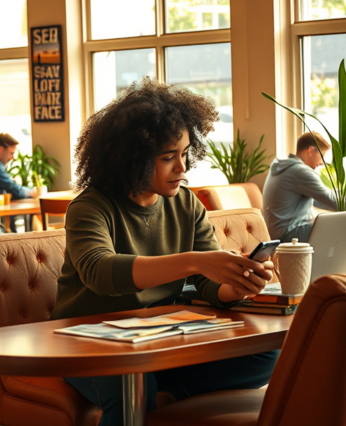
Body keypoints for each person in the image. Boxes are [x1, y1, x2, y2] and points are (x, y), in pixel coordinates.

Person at [54, 79, 278, 426]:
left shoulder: (186, 203)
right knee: (134, 388)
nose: (182, 167)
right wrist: (194, 261)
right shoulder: (90, 207)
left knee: (269, 353)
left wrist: (237, 284)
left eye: (185, 153)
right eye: (167, 157)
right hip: (90, 341)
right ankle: (156, 393)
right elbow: (100, 272)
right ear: (133, 160)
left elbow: (207, 284)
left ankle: (172, 396)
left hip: (160, 337)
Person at [262, 132, 346, 242]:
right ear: (310, 151)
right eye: (322, 155)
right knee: (343, 225)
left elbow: (319, 200)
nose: (322, 163)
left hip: (280, 235)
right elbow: (332, 201)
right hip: (289, 235)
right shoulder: (300, 171)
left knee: (331, 220)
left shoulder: (285, 168)